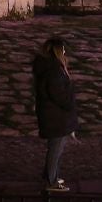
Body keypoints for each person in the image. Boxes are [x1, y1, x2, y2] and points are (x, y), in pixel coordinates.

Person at [30, 36, 78, 192]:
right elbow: (59, 95)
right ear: (58, 51)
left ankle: (52, 175)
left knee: (57, 148)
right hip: (55, 117)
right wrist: (70, 99)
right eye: (63, 49)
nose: (65, 51)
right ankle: (51, 181)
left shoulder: (50, 67)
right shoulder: (54, 70)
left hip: (54, 115)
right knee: (55, 150)